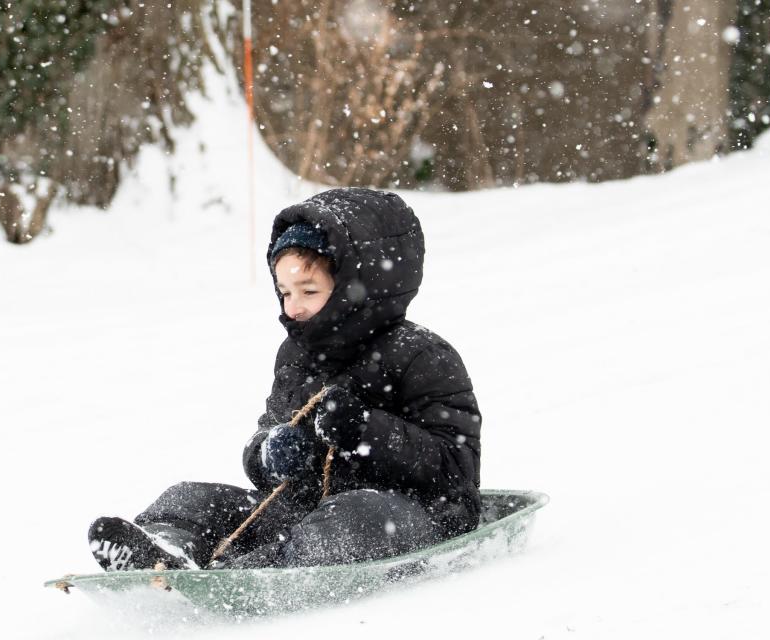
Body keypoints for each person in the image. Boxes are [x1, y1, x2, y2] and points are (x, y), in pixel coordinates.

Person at [88, 187, 481, 571]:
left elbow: (455, 470)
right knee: (189, 497)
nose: (293, 307)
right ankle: (166, 550)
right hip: (306, 515)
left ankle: (248, 573)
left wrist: (365, 431)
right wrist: (270, 453)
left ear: (355, 288)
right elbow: (266, 436)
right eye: (284, 292)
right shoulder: (298, 355)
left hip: (411, 518)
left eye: (308, 290)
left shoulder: (422, 354)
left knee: (354, 517)